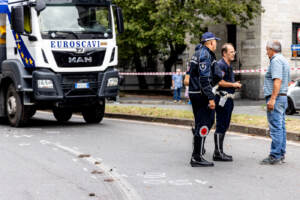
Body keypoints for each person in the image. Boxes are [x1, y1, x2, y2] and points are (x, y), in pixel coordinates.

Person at [188, 32, 222, 167]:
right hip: (201, 94)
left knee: (202, 122)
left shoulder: (198, 52)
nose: (216, 44)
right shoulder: (205, 54)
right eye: (215, 41)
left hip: (195, 92)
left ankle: (198, 150)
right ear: (210, 42)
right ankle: (197, 156)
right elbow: (204, 79)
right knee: (204, 123)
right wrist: (211, 97)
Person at [261, 40, 290, 165]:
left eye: (267, 50)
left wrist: (272, 99)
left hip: (276, 98)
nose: (266, 52)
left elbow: (277, 81)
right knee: (281, 127)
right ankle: (281, 153)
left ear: (272, 50)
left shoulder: (276, 60)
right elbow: (286, 81)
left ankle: (275, 155)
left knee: (276, 128)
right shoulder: (284, 60)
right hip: (282, 97)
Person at [213, 43, 242, 162]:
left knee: (225, 124)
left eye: (234, 51)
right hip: (222, 99)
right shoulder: (221, 65)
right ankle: (218, 153)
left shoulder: (229, 65)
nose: (233, 54)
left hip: (228, 99)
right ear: (224, 53)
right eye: (231, 52)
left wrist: (235, 85)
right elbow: (219, 82)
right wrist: (233, 84)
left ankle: (219, 151)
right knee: (221, 124)